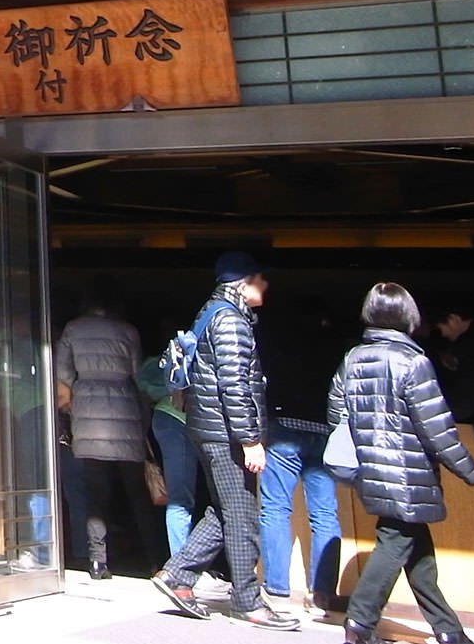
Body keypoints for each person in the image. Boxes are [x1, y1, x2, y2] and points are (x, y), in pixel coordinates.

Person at [151, 252, 300, 631]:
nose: (265, 285)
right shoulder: (231, 321)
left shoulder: (210, 312)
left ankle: (177, 576)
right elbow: (234, 385)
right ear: (242, 283)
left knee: (224, 511)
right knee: (243, 514)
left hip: (207, 429)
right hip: (225, 434)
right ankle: (248, 601)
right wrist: (250, 439)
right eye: (260, 278)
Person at [331, 282, 474, 644]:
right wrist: (469, 470)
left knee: (418, 554)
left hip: (371, 468)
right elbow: (437, 426)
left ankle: (448, 630)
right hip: (408, 473)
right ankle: (359, 624)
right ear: (408, 315)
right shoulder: (413, 362)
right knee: (395, 540)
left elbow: (337, 412)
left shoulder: (352, 358)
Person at [56, 277, 165, 580]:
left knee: (95, 495)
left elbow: (62, 370)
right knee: (136, 493)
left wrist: (80, 388)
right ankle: (155, 561)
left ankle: (97, 562)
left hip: (88, 416)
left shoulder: (73, 329)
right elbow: (137, 372)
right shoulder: (127, 331)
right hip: (125, 413)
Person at [256, 298, 347, 615]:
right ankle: (322, 595)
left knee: (275, 508)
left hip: (284, 427)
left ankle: (277, 590)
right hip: (322, 431)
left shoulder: (279, 342)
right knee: (325, 514)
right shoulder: (335, 345)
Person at [430, 298, 474, 605]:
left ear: (457, 317)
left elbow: (468, 400)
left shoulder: (473, 347)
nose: (442, 332)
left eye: (443, 325)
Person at [138, 341, 200, 556]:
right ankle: (180, 567)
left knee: (182, 497)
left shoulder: (155, 366)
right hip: (178, 419)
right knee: (180, 499)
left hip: (171, 419)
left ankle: (182, 563)